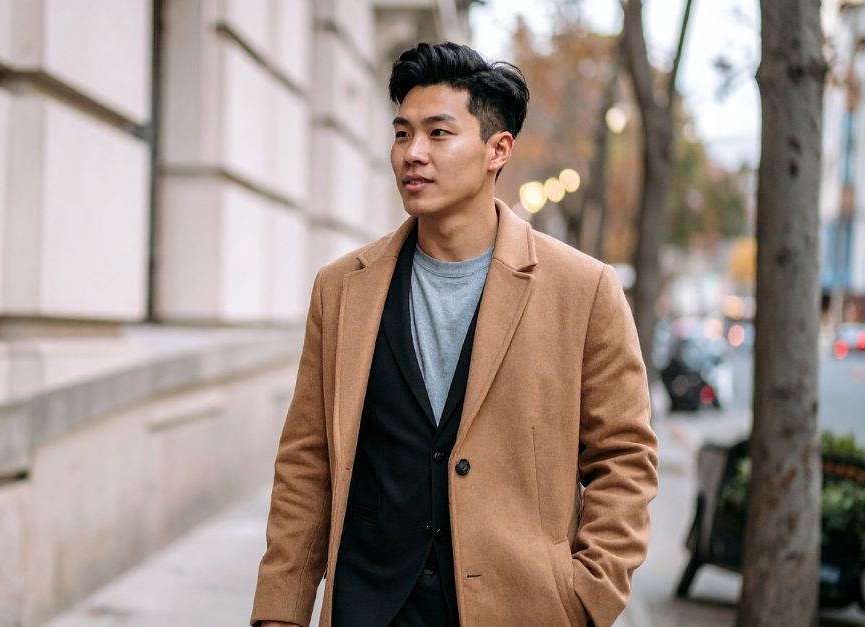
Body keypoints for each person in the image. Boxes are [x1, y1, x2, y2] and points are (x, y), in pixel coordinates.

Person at [249, 41, 658, 627]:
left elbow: (625, 456)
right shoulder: (342, 289)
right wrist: (279, 612)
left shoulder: (583, 289)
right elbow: (305, 464)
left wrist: (587, 596)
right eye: (401, 133)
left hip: (518, 608)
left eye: (438, 133)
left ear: (498, 150)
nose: (413, 153)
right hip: (370, 605)